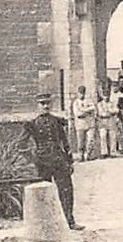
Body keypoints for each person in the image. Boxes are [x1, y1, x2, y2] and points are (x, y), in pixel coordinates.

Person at [24, 93, 82, 230]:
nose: (46, 106)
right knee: (43, 192)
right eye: (42, 104)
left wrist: (69, 161)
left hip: (58, 160)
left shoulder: (57, 121)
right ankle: (45, 224)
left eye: (48, 103)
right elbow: (21, 145)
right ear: (37, 106)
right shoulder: (32, 124)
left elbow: (65, 142)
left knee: (66, 190)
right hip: (42, 163)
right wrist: (33, 159)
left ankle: (70, 221)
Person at [70, 85, 95, 162]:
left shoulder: (88, 101)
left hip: (89, 123)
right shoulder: (76, 102)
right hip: (80, 124)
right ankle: (81, 156)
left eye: (83, 93)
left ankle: (88, 155)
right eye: (80, 93)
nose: (82, 95)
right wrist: (87, 111)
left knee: (90, 140)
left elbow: (93, 108)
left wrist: (83, 110)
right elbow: (78, 114)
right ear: (78, 93)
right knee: (81, 141)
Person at [96, 81, 119, 158]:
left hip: (111, 122)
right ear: (103, 96)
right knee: (103, 137)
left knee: (113, 137)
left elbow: (116, 110)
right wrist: (109, 113)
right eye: (105, 95)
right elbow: (101, 113)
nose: (106, 97)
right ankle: (104, 152)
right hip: (103, 122)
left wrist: (110, 111)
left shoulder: (112, 103)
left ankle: (113, 152)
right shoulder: (100, 104)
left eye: (108, 95)